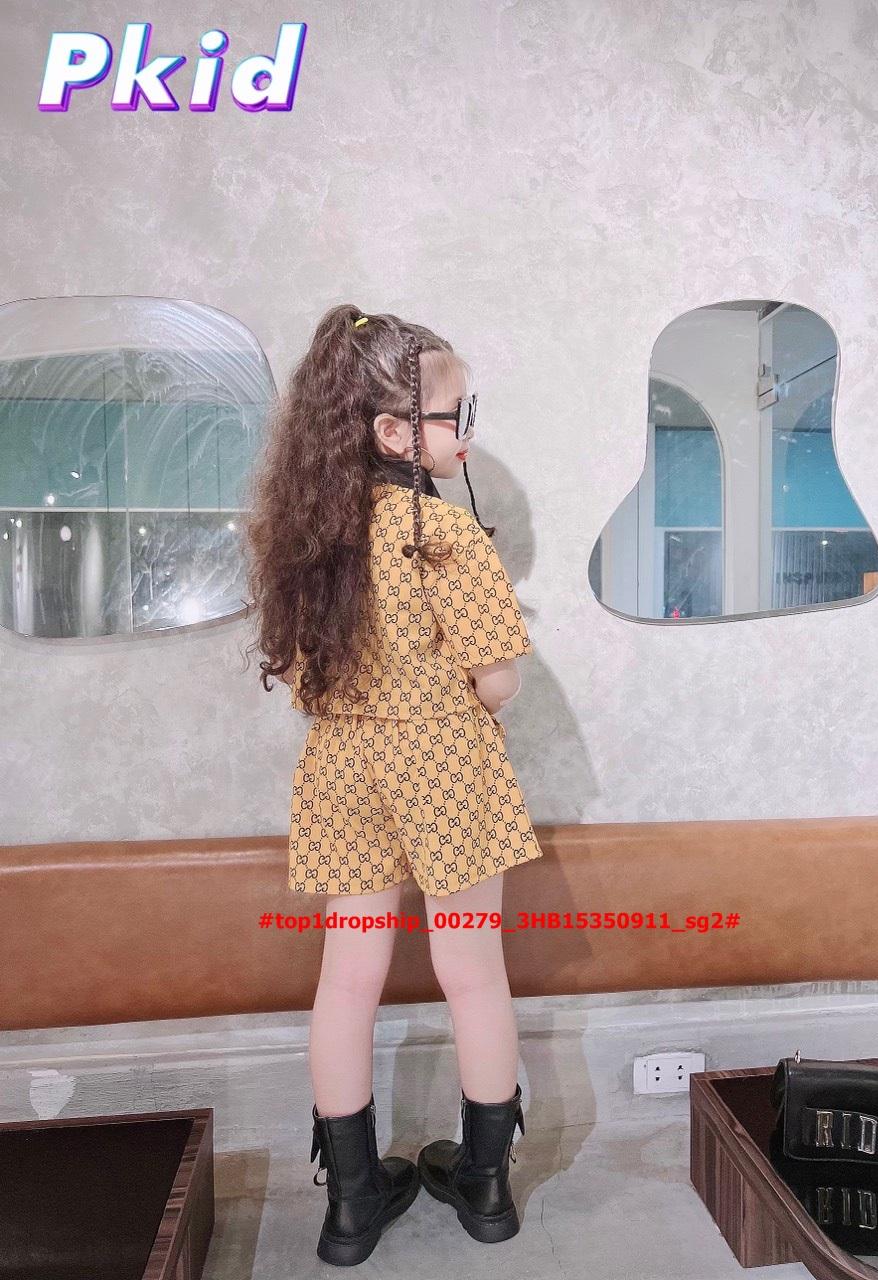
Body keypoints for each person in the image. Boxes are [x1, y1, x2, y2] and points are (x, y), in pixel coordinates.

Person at [242, 304, 543, 1265]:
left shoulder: (307, 544)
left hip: (343, 768)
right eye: (458, 416)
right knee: (473, 971)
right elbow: (498, 680)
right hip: (446, 765)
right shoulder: (443, 536)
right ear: (394, 432)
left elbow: (304, 680)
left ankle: (351, 1202)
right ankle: (486, 1186)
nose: (468, 434)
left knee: (346, 979)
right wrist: (452, 699)